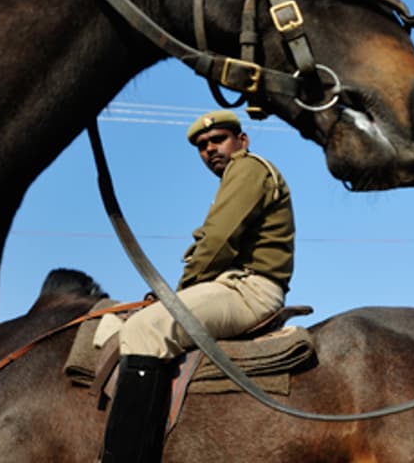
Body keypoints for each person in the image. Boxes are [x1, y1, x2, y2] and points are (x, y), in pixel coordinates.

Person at [100, 109, 294, 462]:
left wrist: (176, 294)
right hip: (231, 285)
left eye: (218, 140)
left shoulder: (247, 169)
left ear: (242, 141)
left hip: (248, 290)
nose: (210, 150)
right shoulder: (237, 177)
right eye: (202, 146)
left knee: (145, 330)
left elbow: (217, 242)